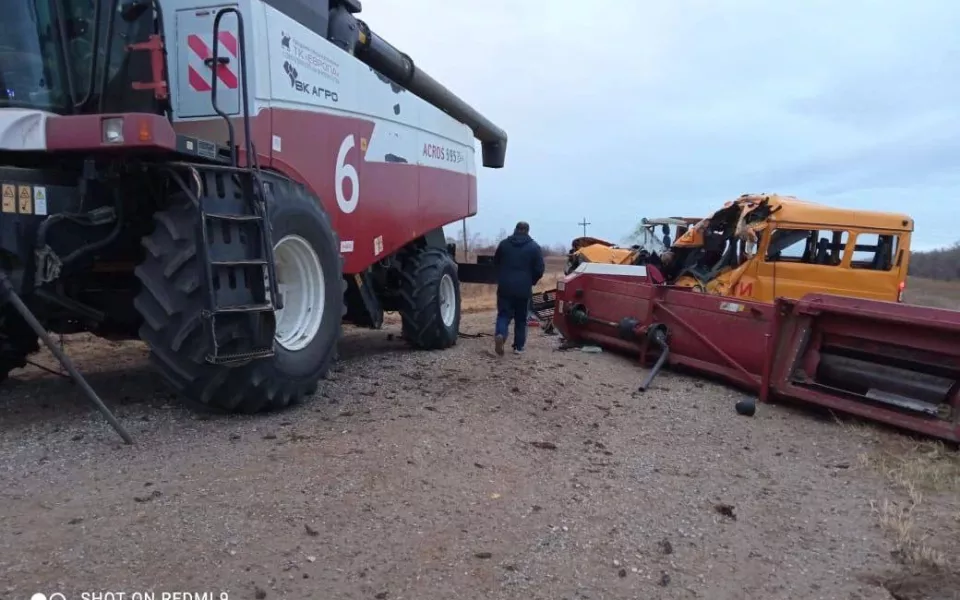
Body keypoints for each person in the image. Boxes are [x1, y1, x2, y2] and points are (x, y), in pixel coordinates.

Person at [492, 221, 545, 355]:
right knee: (521, 319)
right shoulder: (534, 247)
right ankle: (518, 347)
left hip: (505, 286)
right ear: (527, 231)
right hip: (523, 288)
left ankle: (501, 334)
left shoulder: (504, 244)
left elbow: (495, 263)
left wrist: (501, 277)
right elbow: (539, 269)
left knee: (503, 314)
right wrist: (531, 281)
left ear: (515, 229)